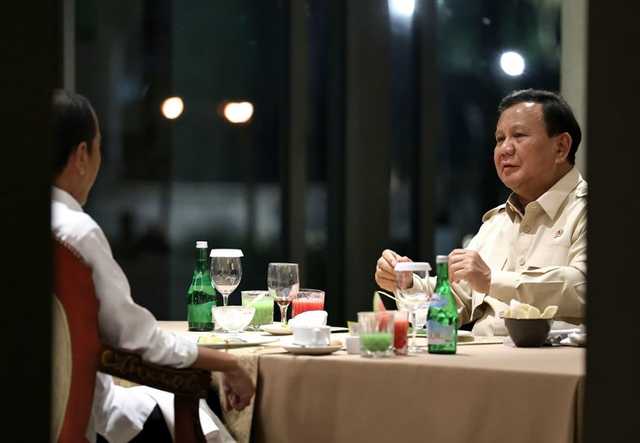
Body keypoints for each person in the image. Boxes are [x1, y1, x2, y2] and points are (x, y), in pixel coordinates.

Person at [51, 89, 255, 442]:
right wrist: (228, 364)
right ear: (82, 155)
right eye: (99, 147)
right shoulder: (75, 233)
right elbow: (140, 341)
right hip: (89, 422)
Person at [375, 89, 586, 336]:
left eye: (518, 135)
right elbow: (455, 301)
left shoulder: (591, 210)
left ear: (561, 147)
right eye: (499, 139)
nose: (505, 149)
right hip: (483, 365)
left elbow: (583, 288)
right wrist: (408, 284)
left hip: (555, 367)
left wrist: (491, 280)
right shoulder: (496, 222)